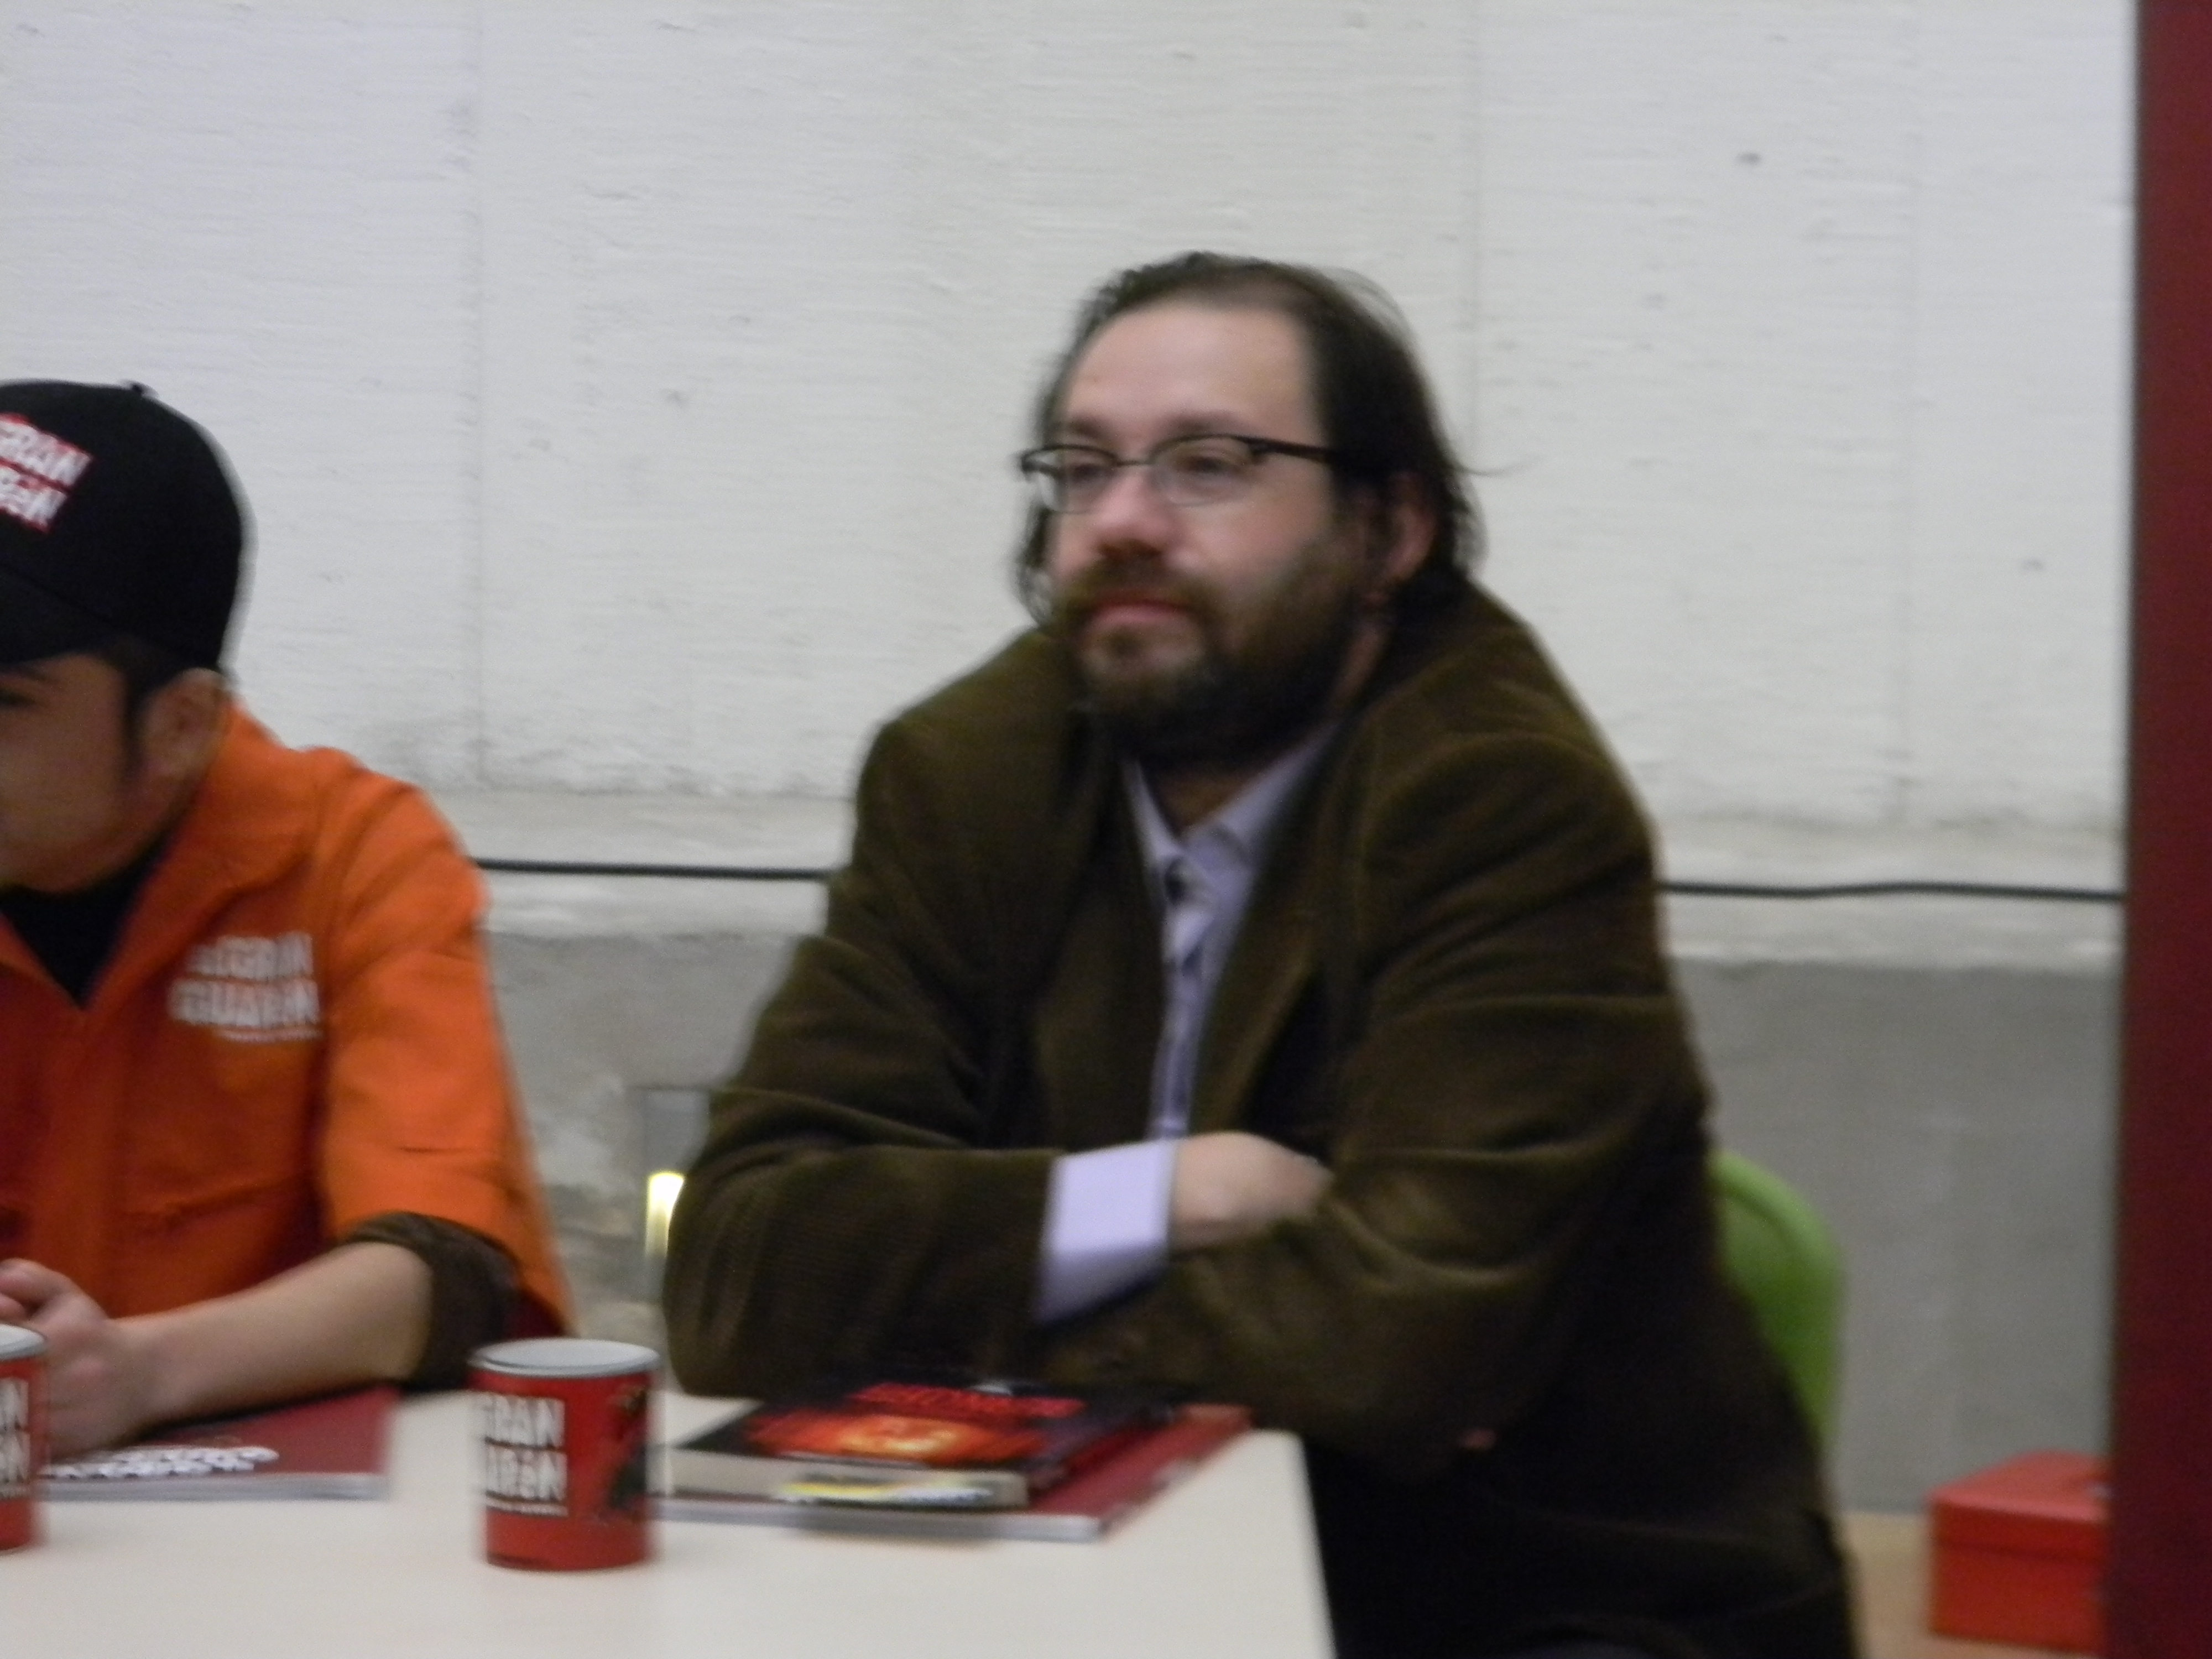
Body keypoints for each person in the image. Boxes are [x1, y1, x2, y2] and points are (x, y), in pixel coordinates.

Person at [662, 255, 1855, 1658]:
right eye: (1083, 468)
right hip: (1074, 1575)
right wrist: (1170, 1195)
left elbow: (1386, 1355)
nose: (1122, 522)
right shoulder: (966, 774)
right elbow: (734, 1278)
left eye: (1208, 466)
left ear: (1388, 530)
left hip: (1533, 1598)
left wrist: (914, 1336)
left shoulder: (1497, 796)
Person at [0, 380, 567, 1457]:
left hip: (286, 1528)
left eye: (6, 704)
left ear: (182, 723)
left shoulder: (355, 857)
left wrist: (139, 1372)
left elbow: (443, 1272)